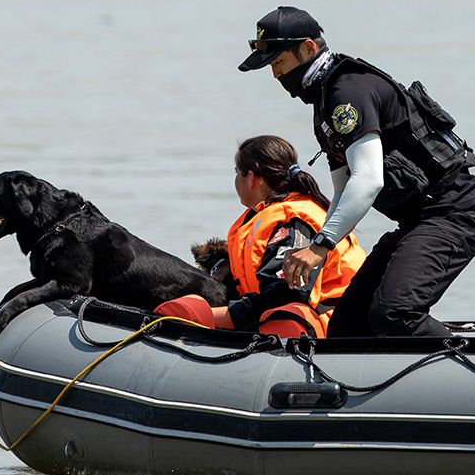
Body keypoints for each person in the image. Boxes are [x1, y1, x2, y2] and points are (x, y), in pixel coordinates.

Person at [238, 6, 475, 337]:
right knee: (346, 328)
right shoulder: (325, 102)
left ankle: (472, 371)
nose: (276, 75)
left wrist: (320, 247)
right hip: (416, 221)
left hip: (453, 214)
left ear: (308, 49)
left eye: (278, 63)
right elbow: (344, 190)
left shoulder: (348, 92)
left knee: (395, 315)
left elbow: (368, 180)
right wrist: (317, 246)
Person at [156, 135, 365, 338]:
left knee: (284, 316)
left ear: (252, 177)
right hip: (269, 313)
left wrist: (209, 317)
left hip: (330, 326)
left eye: (237, 172)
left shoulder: (293, 222)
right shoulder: (263, 215)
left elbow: (284, 295)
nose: (235, 179)